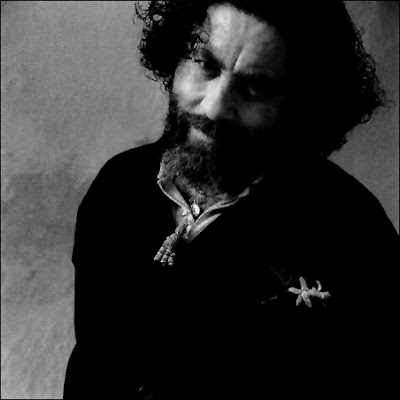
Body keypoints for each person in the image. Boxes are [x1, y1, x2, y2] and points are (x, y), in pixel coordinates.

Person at [64, 1, 398, 399]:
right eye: (205, 64)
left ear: (299, 103)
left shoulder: (353, 228)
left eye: (256, 86)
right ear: (175, 57)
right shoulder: (119, 184)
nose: (216, 106)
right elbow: (94, 361)